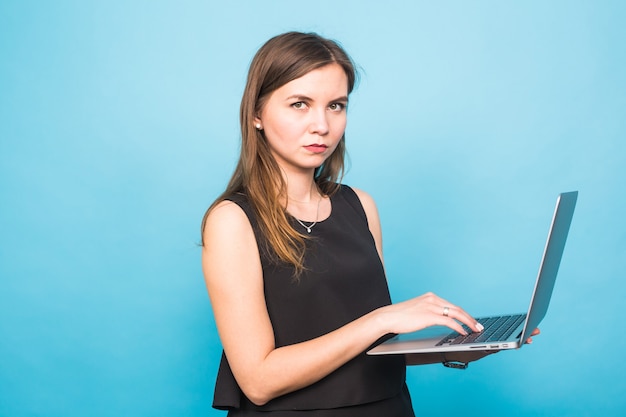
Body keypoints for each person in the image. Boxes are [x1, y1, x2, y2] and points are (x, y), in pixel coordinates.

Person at [201, 31, 539, 416]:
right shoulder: (232, 220)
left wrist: (458, 349)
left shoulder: (360, 206)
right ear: (257, 114)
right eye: (299, 104)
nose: (322, 125)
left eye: (336, 106)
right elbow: (258, 382)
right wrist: (382, 319)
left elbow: (370, 350)